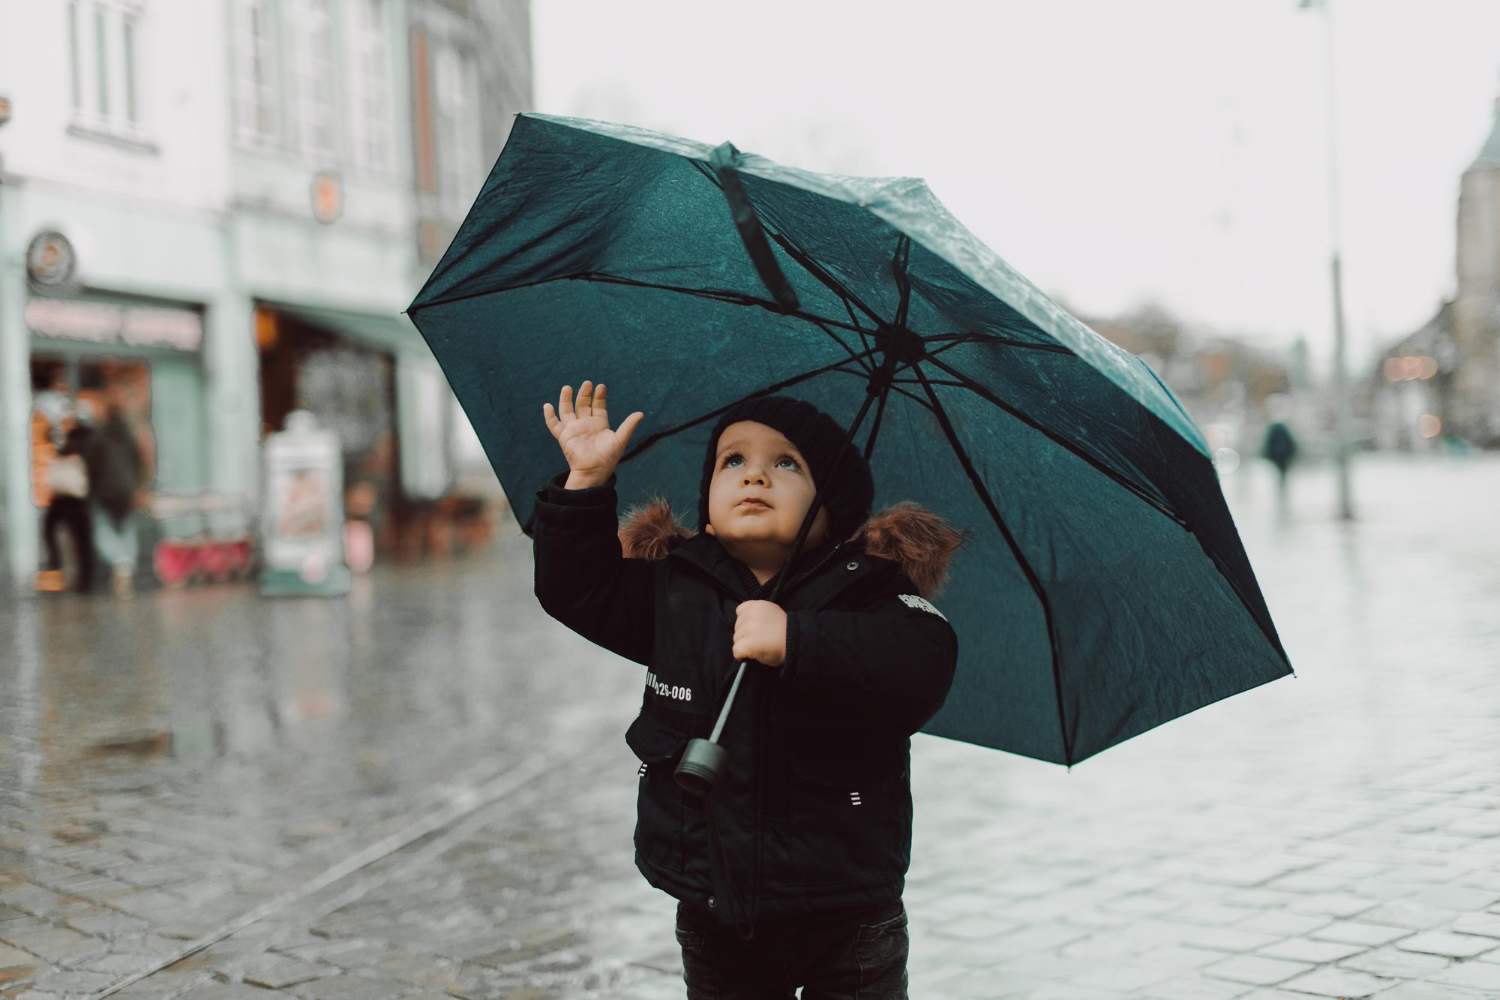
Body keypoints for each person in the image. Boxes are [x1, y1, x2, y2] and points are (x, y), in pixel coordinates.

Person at [533, 381, 961, 1000]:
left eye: (786, 464)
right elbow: (576, 588)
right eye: (733, 461)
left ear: (831, 506)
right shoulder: (674, 588)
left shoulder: (870, 592)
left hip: (846, 909)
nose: (754, 477)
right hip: (714, 903)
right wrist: (588, 482)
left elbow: (924, 660)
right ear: (707, 502)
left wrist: (802, 640)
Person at [85, 391, 145, 596]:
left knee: (102, 530)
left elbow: (91, 465)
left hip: (105, 492)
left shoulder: (99, 436)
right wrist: (136, 486)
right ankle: (126, 564)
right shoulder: (129, 435)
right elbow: (138, 462)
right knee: (126, 528)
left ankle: (121, 560)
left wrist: (91, 489)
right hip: (126, 490)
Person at [42, 419, 95, 592]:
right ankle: (58, 566)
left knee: (81, 540)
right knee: (52, 530)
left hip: (76, 500)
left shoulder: (81, 454)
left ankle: (83, 580)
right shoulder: (64, 454)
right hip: (62, 500)